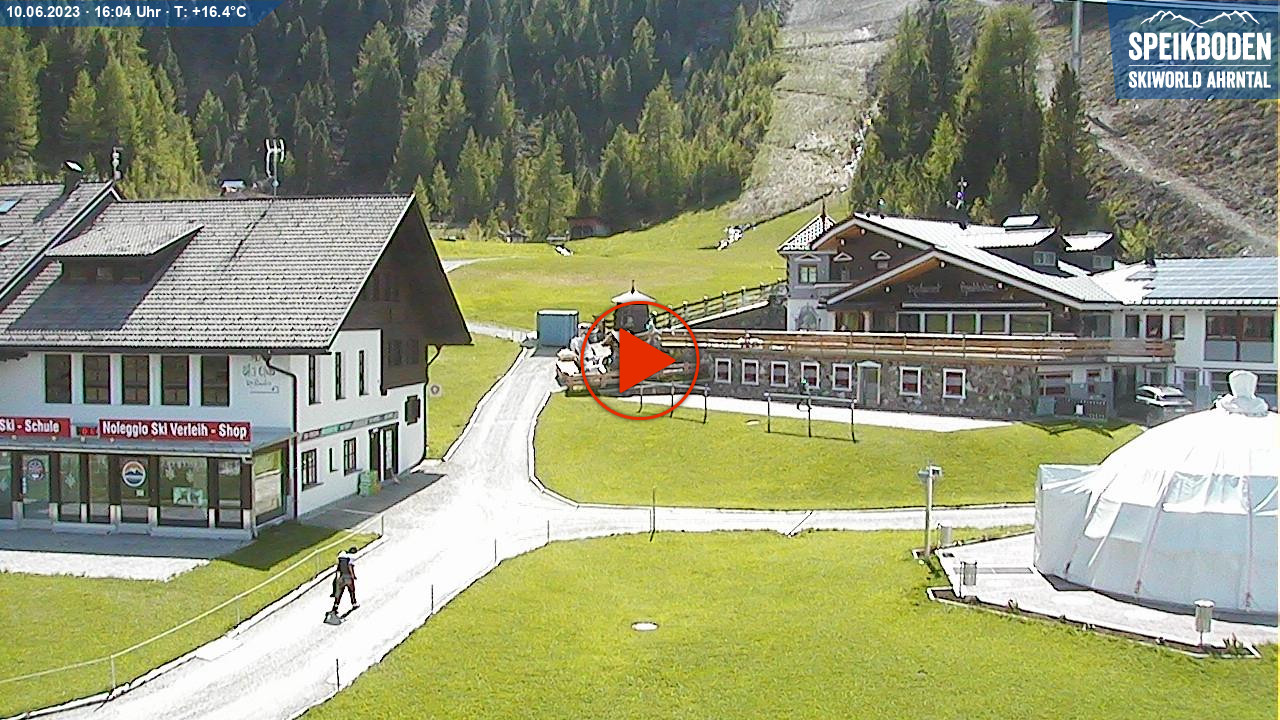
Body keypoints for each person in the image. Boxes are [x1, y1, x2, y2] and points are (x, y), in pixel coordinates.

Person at [330, 546, 359, 614]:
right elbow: (350, 566)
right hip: (347, 576)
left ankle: (335, 607)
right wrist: (353, 576)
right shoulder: (351, 557)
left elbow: (338, 568)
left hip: (341, 577)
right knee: (352, 591)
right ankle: (354, 604)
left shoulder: (341, 557)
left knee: (339, 593)